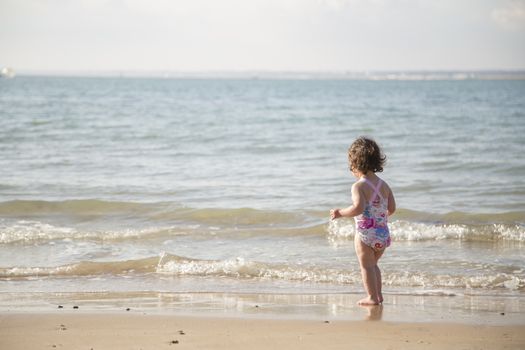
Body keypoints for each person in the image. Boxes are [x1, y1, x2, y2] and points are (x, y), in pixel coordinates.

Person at [330, 137, 396, 305]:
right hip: (382, 233)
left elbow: (358, 208)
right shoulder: (384, 185)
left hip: (366, 234)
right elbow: (392, 208)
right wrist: (381, 216)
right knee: (373, 265)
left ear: (355, 163)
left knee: (366, 266)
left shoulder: (358, 186)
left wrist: (340, 213)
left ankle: (372, 297)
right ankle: (378, 295)